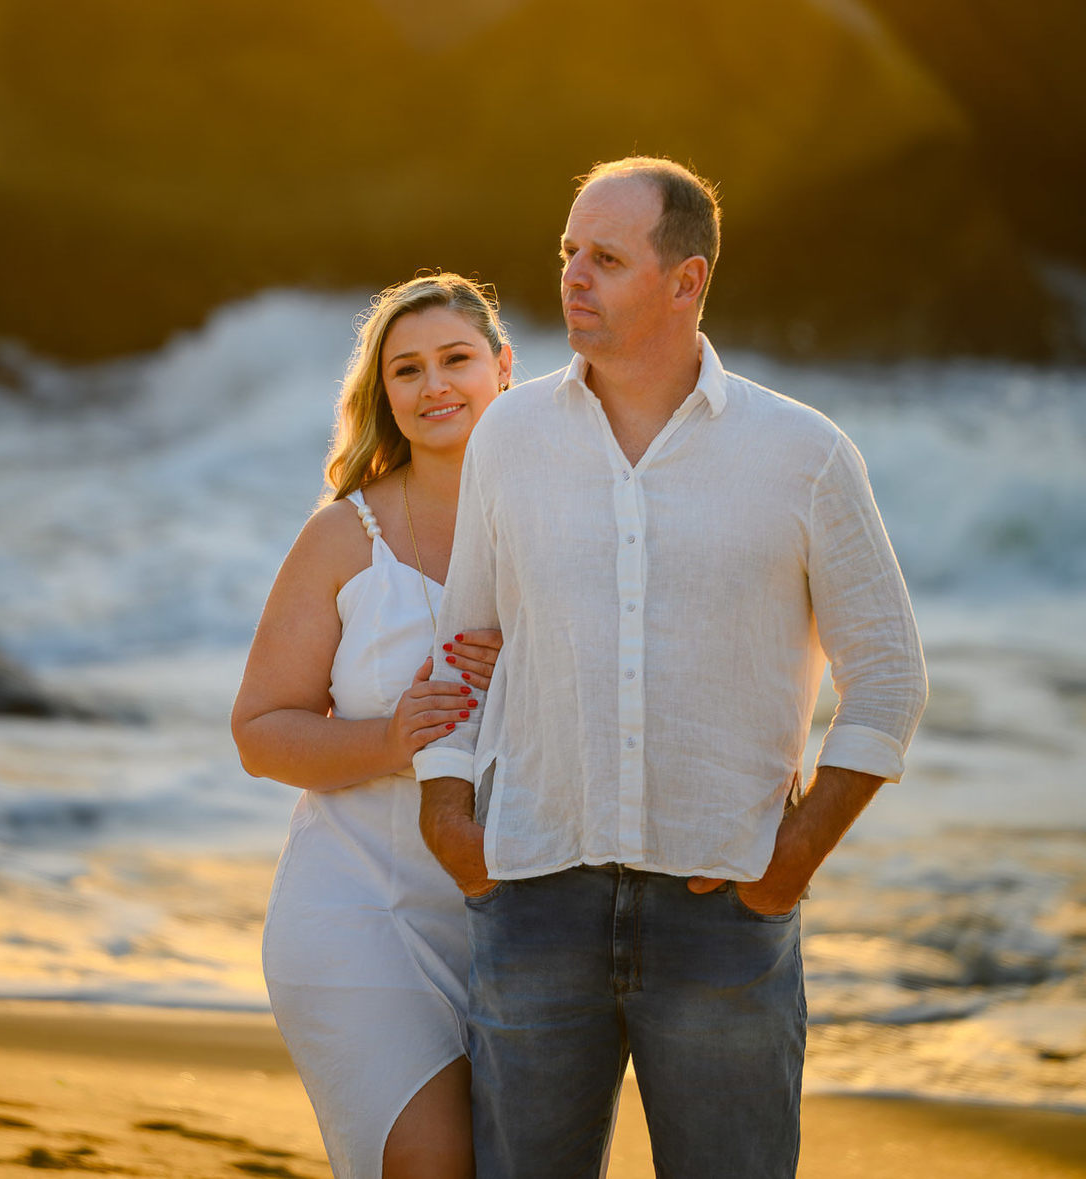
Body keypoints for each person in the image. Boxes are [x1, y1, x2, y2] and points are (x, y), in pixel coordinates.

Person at [416, 156, 928, 1179]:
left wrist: (790, 866)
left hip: (723, 917)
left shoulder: (803, 452)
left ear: (686, 281)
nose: (572, 277)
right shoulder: (509, 436)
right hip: (533, 898)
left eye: (605, 258)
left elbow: (890, 674)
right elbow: (464, 646)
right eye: (568, 253)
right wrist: (447, 814)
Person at [232, 273, 513, 1179]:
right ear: (382, 396)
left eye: (456, 359)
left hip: (510, 923)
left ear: (503, 368)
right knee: (435, 1162)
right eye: (407, 369)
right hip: (354, 905)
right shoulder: (344, 535)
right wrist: (390, 739)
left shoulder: (559, 525)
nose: (435, 385)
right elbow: (260, 730)